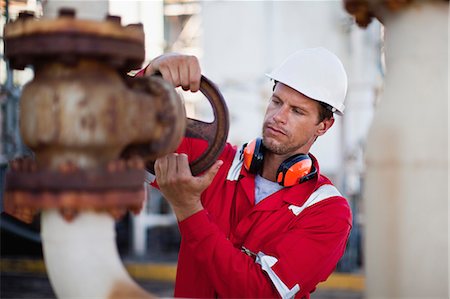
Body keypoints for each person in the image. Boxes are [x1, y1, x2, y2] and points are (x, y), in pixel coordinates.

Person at [140, 47, 352, 299]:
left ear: (323, 126)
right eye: (276, 101)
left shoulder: (328, 212)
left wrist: (188, 209)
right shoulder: (216, 162)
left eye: (297, 111)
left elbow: (260, 292)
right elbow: (123, 131)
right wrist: (151, 76)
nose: (278, 117)